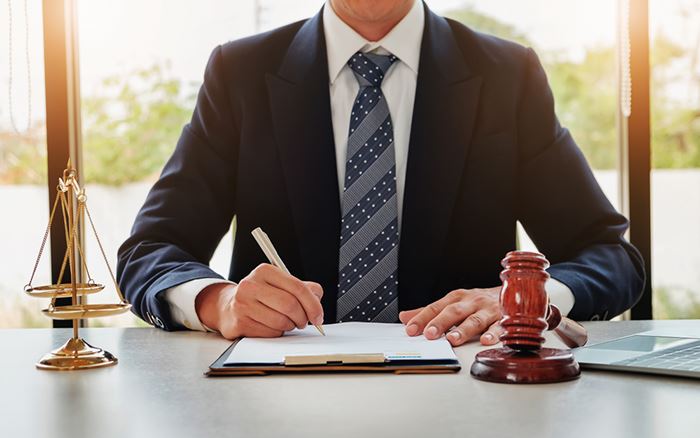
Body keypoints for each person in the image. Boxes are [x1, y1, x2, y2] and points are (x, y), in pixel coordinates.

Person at [117, 0, 645, 346]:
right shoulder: (241, 73)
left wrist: (522, 300)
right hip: (277, 400)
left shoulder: (507, 76)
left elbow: (610, 257)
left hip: (464, 399)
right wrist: (219, 302)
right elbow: (151, 250)